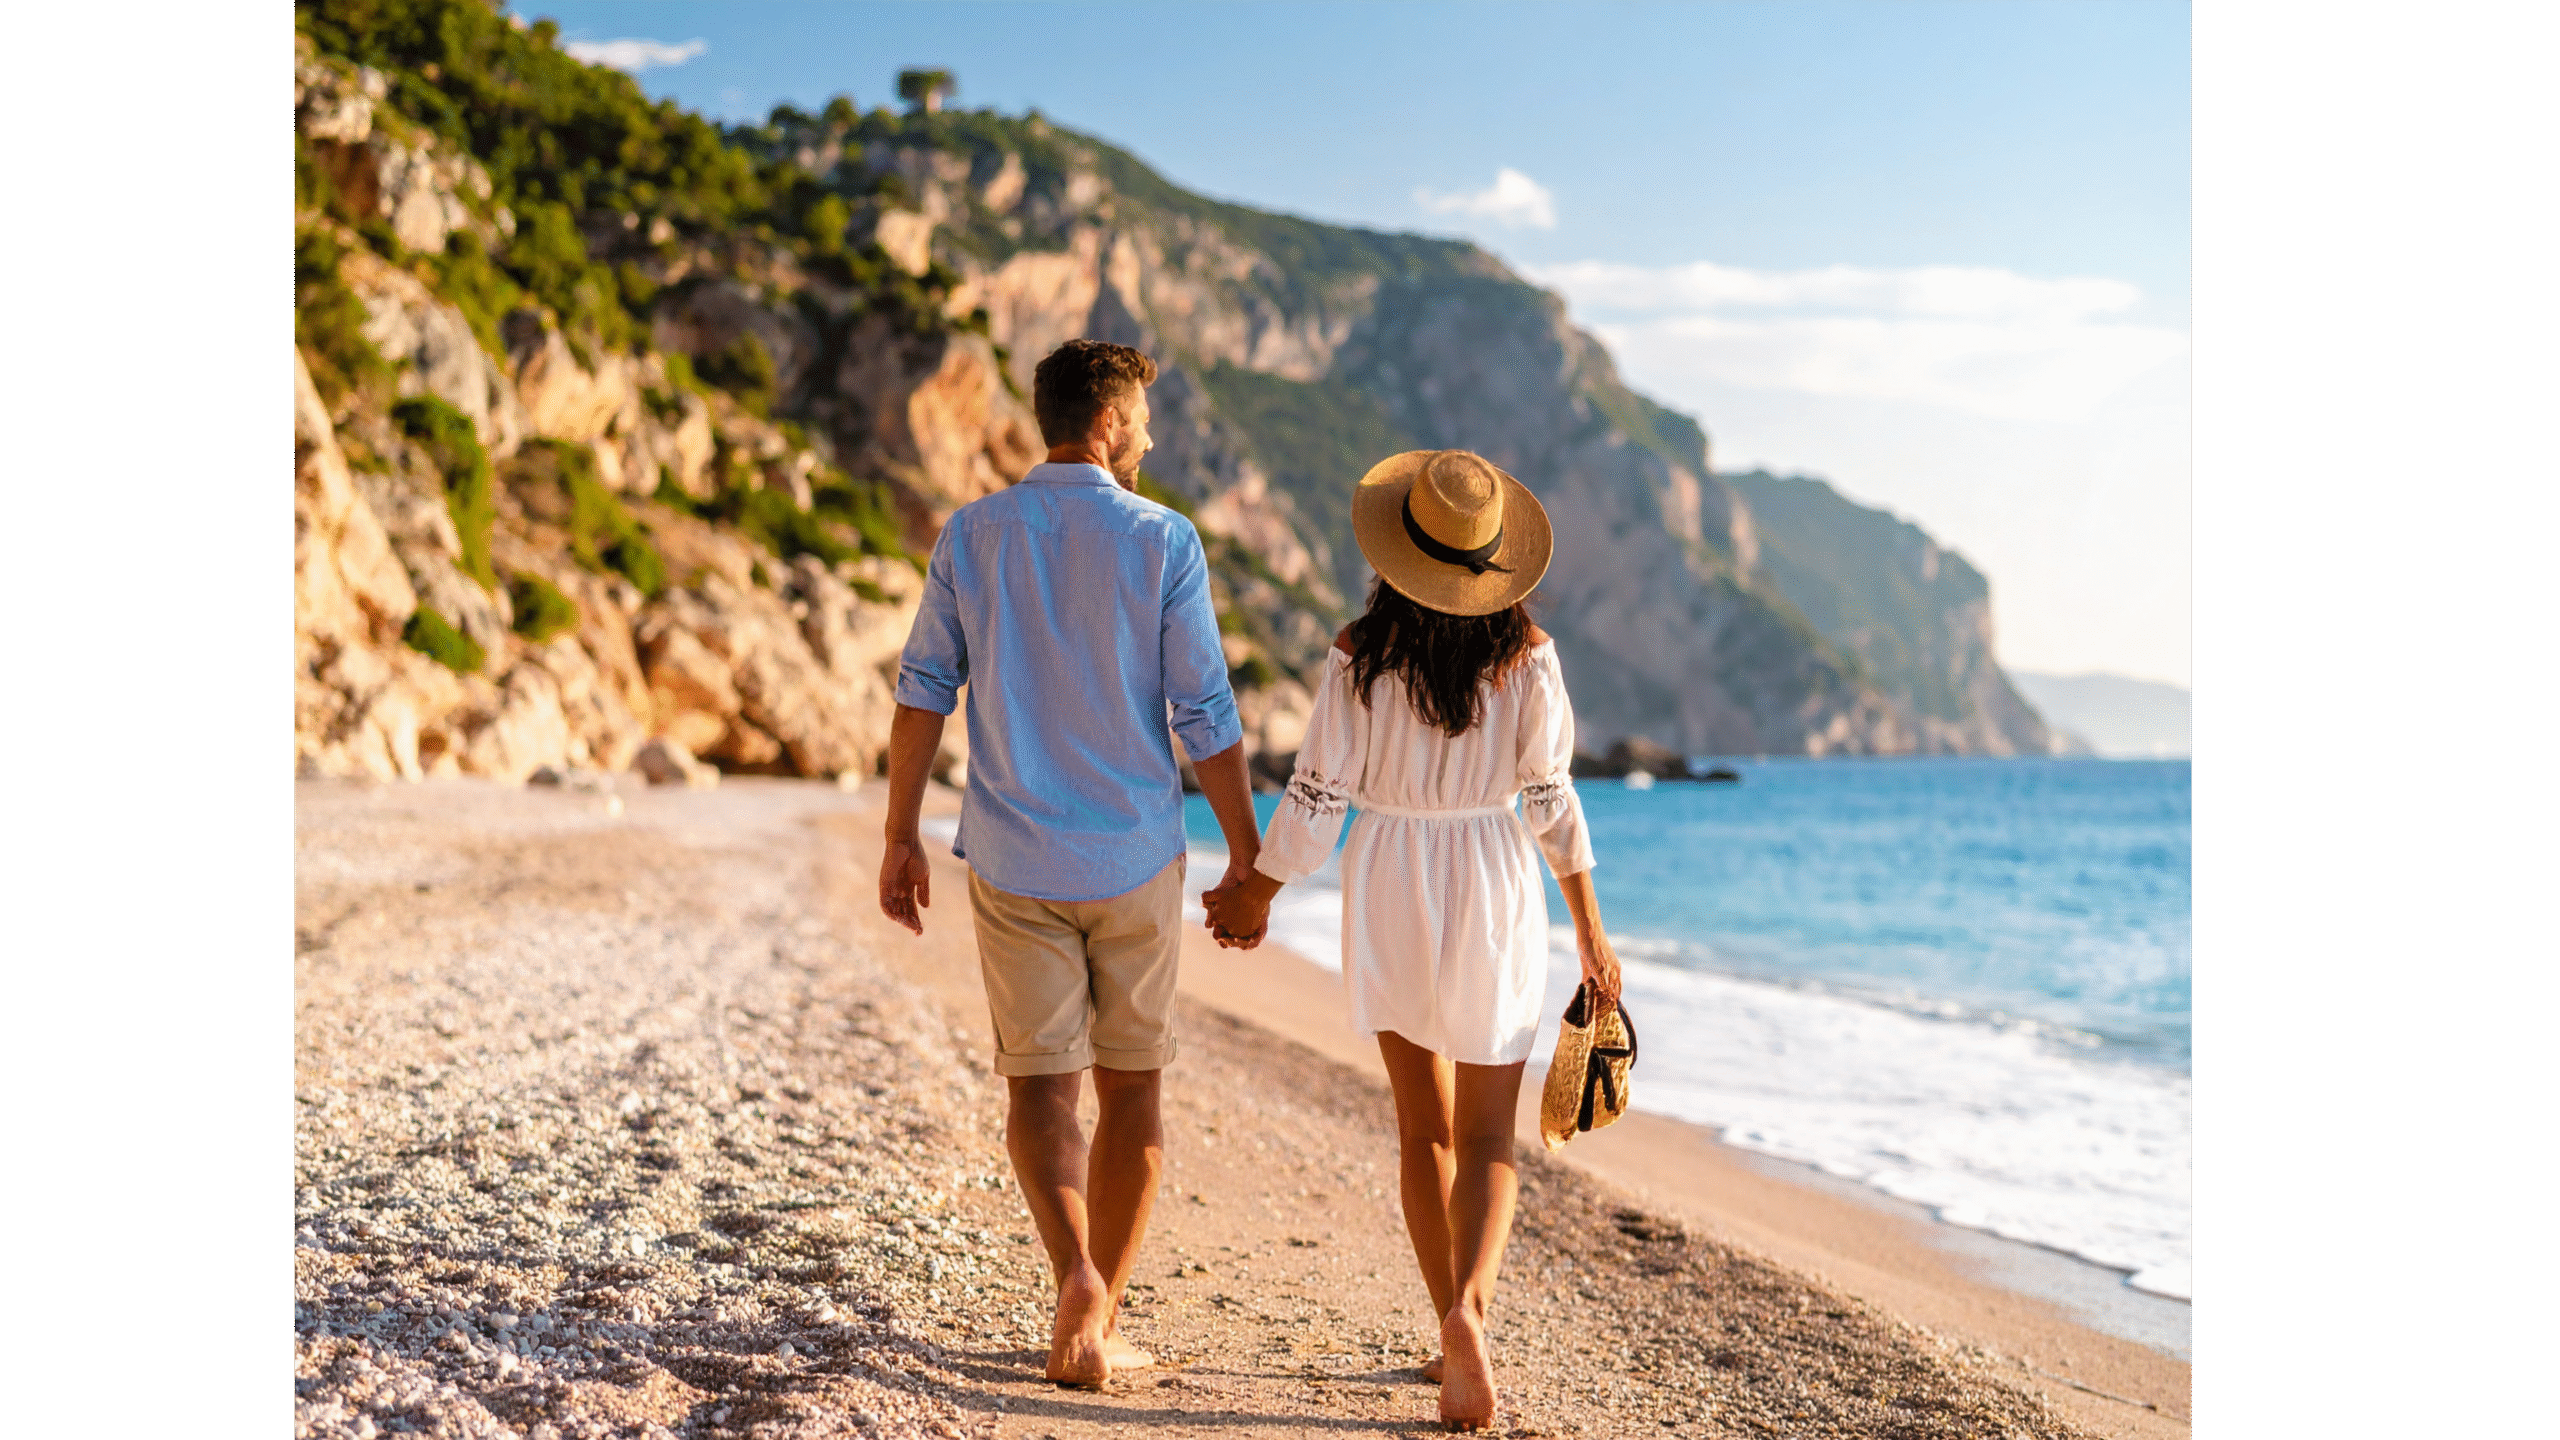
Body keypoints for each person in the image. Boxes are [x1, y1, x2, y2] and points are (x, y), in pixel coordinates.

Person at [1202, 449, 1622, 1431]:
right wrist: (1593, 939)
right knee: (1487, 1138)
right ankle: (1467, 1312)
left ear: (1397, 552)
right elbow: (1552, 803)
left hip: (1390, 875)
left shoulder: (1359, 652)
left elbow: (1317, 795)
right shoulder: (1530, 657)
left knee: (1421, 1131)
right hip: (1492, 877)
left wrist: (1255, 892)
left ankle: (1447, 1326)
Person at [877, 339, 1270, 1387]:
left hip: (1013, 856)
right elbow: (1204, 713)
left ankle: (1073, 1274)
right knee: (1132, 1090)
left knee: (1041, 1093)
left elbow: (923, 689)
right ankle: (1100, 1314)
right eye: (1141, 418)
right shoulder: (1164, 539)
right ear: (1105, 423)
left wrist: (897, 836)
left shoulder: (972, 533)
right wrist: (1244, 854)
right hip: (1136, 856)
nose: (1150, 436)